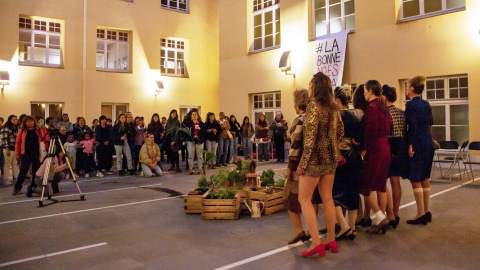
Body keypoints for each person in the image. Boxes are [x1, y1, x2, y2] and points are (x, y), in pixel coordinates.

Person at [297, 72, 343, 257]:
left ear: (315, 88)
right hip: (331, 160)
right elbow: (340, 134)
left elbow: (309, 140)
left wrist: (303, 163)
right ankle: (331, 239)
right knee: (328, 198)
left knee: (304, 199)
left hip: (314, 160)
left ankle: (316, 241)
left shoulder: (313, 109)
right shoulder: (334, 109)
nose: (308, 88)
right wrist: (333, 149)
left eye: (310, 85)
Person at [284, 89, 322, 245]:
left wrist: (290, 167)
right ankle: (312, 231)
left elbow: (295, 145)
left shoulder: (299, 120)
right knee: (313, 198)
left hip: (301, 164)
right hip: (317, 163)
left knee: (289, 197)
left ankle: (300, 230)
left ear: (297, 103)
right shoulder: (316, 117)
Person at [360, 80, 392, 233]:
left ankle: (380, 217)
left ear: (370, 91)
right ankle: (382, 216)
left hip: (375, 148)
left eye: (365, 90)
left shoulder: (372, 108)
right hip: (385, 146)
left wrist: (363, 150)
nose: (364, 93)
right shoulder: (384, 106)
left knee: (365, 186)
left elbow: (369, 131)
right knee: (381, 185)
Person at [332, 86, 362, 241]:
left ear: (337, 100)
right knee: (352, 192)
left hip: (340, 157)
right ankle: (353, 228)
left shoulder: (336, 116)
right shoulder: (353, 116)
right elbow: (358, 139)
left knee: (333, 193)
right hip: (354, 157)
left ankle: (343, 226)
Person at [405, 75, 435, 225]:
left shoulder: (411, 105)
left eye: (407, 86)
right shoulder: (426, 103)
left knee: (415, 178)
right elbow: (431, 122)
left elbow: (412, 126)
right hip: (428, 141)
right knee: (425, 177)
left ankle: (420, 213)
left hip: (418, 142)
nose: (405, 89)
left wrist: (410, 145)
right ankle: (427, 211)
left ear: (411, 89)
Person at [383, 85, 408, 228]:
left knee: (383, 182)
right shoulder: (401, 112)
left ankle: (389, 214)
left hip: (389, 146)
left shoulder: (384, 113)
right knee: (396, 181)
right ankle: (396, 213)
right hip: (401, 146)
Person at [13, 116, 50, 195]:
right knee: (23, 171)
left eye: (31, 121)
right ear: (25, 123)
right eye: (28, 122)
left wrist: (43, 129)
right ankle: (17, 188)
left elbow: (45, 138)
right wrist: (17, 154)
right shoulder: (22, 131)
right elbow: (18, 143)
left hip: (36, 153)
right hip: (26, 154)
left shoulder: (38, 130)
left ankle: (33, 187)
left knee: (36, 171)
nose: (30, 123)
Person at [184, 110, 205, 174]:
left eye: (195, 114)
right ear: (191, 116)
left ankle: (200, 167)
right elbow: (186, 132)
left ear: (198, 116)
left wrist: (200, 129)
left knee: (200, 155)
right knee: (190, 154)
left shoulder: (201, 123)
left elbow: (205, 132)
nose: (194, 116)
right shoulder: (188, 123)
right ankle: (191, 167)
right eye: (193, 114)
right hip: (191, 140)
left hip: (199, 141)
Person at [0, 115, 19, 185]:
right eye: (13, 119)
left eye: (16, 119)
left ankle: (16, 177)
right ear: (10, 120)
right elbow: (4, 139)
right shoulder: (6, 127)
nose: (15, 121)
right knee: (7, 164)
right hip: (8, 148)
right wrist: (7, 148)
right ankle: (6, 179)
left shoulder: (15, 127)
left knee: (14, 163)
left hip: (14, 148)